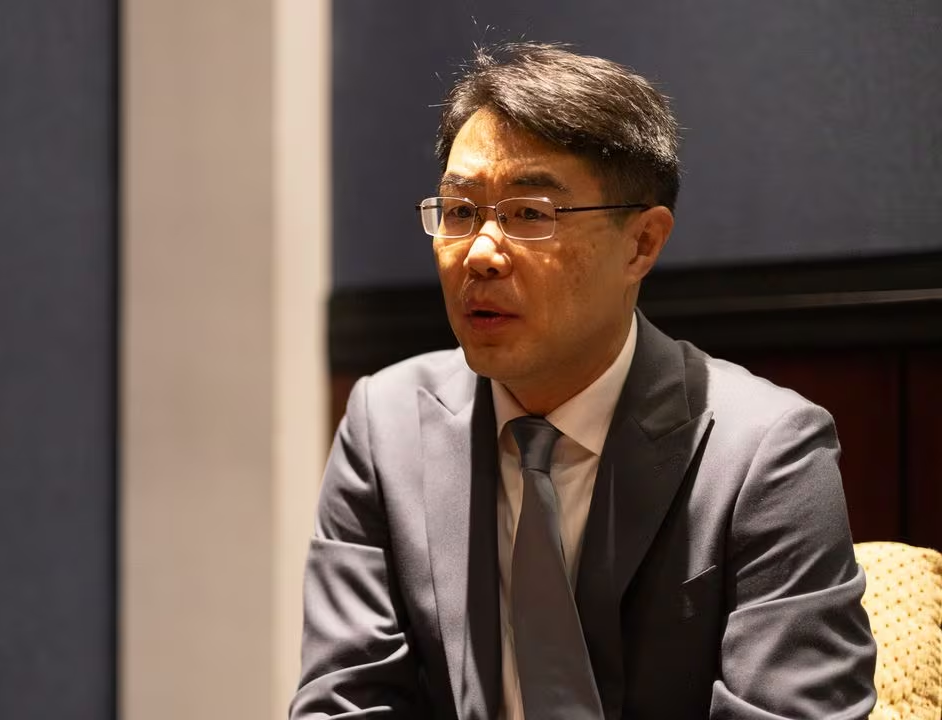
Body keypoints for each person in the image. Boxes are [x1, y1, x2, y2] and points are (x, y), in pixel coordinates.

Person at [291, 43, 877, 720]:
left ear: (641, 244)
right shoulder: (384, 426)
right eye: (459, 211)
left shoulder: (766, 453)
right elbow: (346, 703)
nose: (480, 253)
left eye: (529, 213)